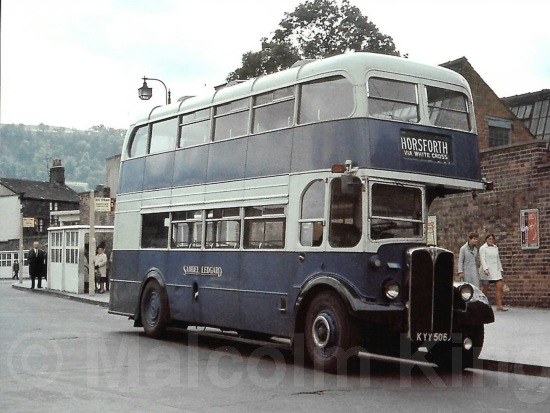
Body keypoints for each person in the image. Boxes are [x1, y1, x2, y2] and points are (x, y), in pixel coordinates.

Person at [479, 233, 508, 311]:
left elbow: (498, 259)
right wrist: (485, 269)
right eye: (489, 239)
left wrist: (500, 269)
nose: (491, 240)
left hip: (496, 270)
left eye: (492, 239)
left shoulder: (495, 247)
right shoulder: (482, 248)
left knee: (499, 287)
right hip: (487, 271)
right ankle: (481, 304)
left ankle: (499, 305)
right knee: (485, 288)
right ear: (486, 239)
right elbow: (482, 259)